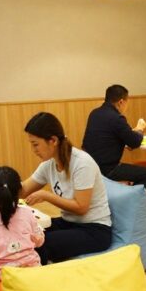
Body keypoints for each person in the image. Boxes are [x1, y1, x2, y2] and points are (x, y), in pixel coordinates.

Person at [22, 112, 112, 263]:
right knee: (26, 233)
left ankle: (39, 282)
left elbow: (81, 207)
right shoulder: (48, 164)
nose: (34, 150)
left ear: (53, 140)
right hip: (69, 223)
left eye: (36, 144)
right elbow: (23, 189)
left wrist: (47, 196)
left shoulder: (82, 163)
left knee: (41, 243)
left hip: (95, 230)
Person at [81, 84, 146, 190]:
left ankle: (125, 192)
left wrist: (133, 133)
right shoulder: (117, 118)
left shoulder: (94, 113)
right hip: (108, 169)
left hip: (89, 165)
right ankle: (131, 199)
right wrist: (140, 129)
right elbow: (134, 142)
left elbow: (115, 136)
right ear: (121, 102)